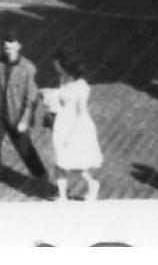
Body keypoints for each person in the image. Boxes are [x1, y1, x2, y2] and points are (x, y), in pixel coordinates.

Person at [0, 30, 48, 188]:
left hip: (16, 116)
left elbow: (31, 97)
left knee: (24, 148)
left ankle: (41, 174)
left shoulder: (28, 68)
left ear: (18, 46)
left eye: (12, 48)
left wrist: (24, 120)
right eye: (6, 48)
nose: (9, 51)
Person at [48, 49, 103, 201]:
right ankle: (62, 195)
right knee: (59, 161)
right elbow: (60, 100)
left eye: (58, 66)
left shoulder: (82, 87)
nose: (56, 69)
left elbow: (81, 112)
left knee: (75, 163)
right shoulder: (63, 80)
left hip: (76, 126)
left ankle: (92, 184)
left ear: (66, 66)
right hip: (62, 123)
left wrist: (71, 135)